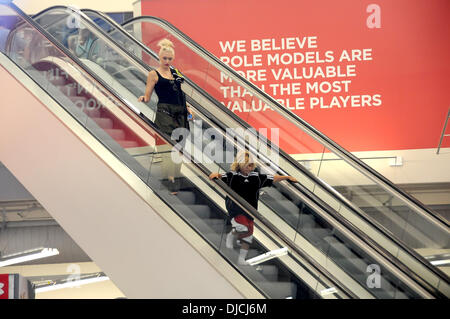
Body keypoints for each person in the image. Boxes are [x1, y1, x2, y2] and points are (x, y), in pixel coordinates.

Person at [209, 150, 298, 265]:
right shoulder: (233, 176)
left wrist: (286, 177)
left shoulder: (256, 177)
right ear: (240, 164)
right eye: (247, 165)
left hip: (251, 211)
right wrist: (215, 175)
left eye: (251, 165)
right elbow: (220, 176)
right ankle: (232, 235)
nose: (249, 168)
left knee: (249, 235)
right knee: (243, 226)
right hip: (236, 210)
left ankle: (241, 259)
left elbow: (271, 178)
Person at [138, 39, 194, 194]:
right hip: (164, 113)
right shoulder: (153, 74)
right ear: (159, 57)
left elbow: (179, 93)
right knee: (168, 146)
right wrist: (144, 98)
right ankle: (168, 179)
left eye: (170, 59)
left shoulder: (175, 72)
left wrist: (188, 107)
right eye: (164, 58)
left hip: (181, 112)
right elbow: (148, 95)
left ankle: (175, 178)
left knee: (180, 149)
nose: (167, 61)